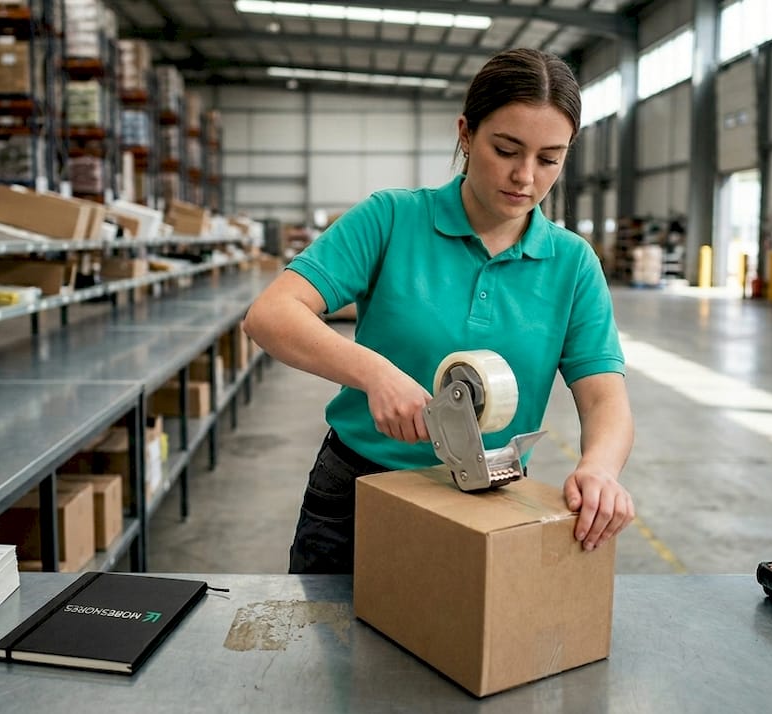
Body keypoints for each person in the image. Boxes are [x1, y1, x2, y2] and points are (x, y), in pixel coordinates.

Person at [242, 47, 635, 575]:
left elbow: (604, 394)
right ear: (466, 135)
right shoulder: (392, 219)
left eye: (548, 159)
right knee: (331, 653)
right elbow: (271, 315)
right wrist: (376, 374)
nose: (525, 176)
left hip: (491, 503)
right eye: (506, 149)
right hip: (360, 490)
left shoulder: (572, 263)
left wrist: (601, 468)